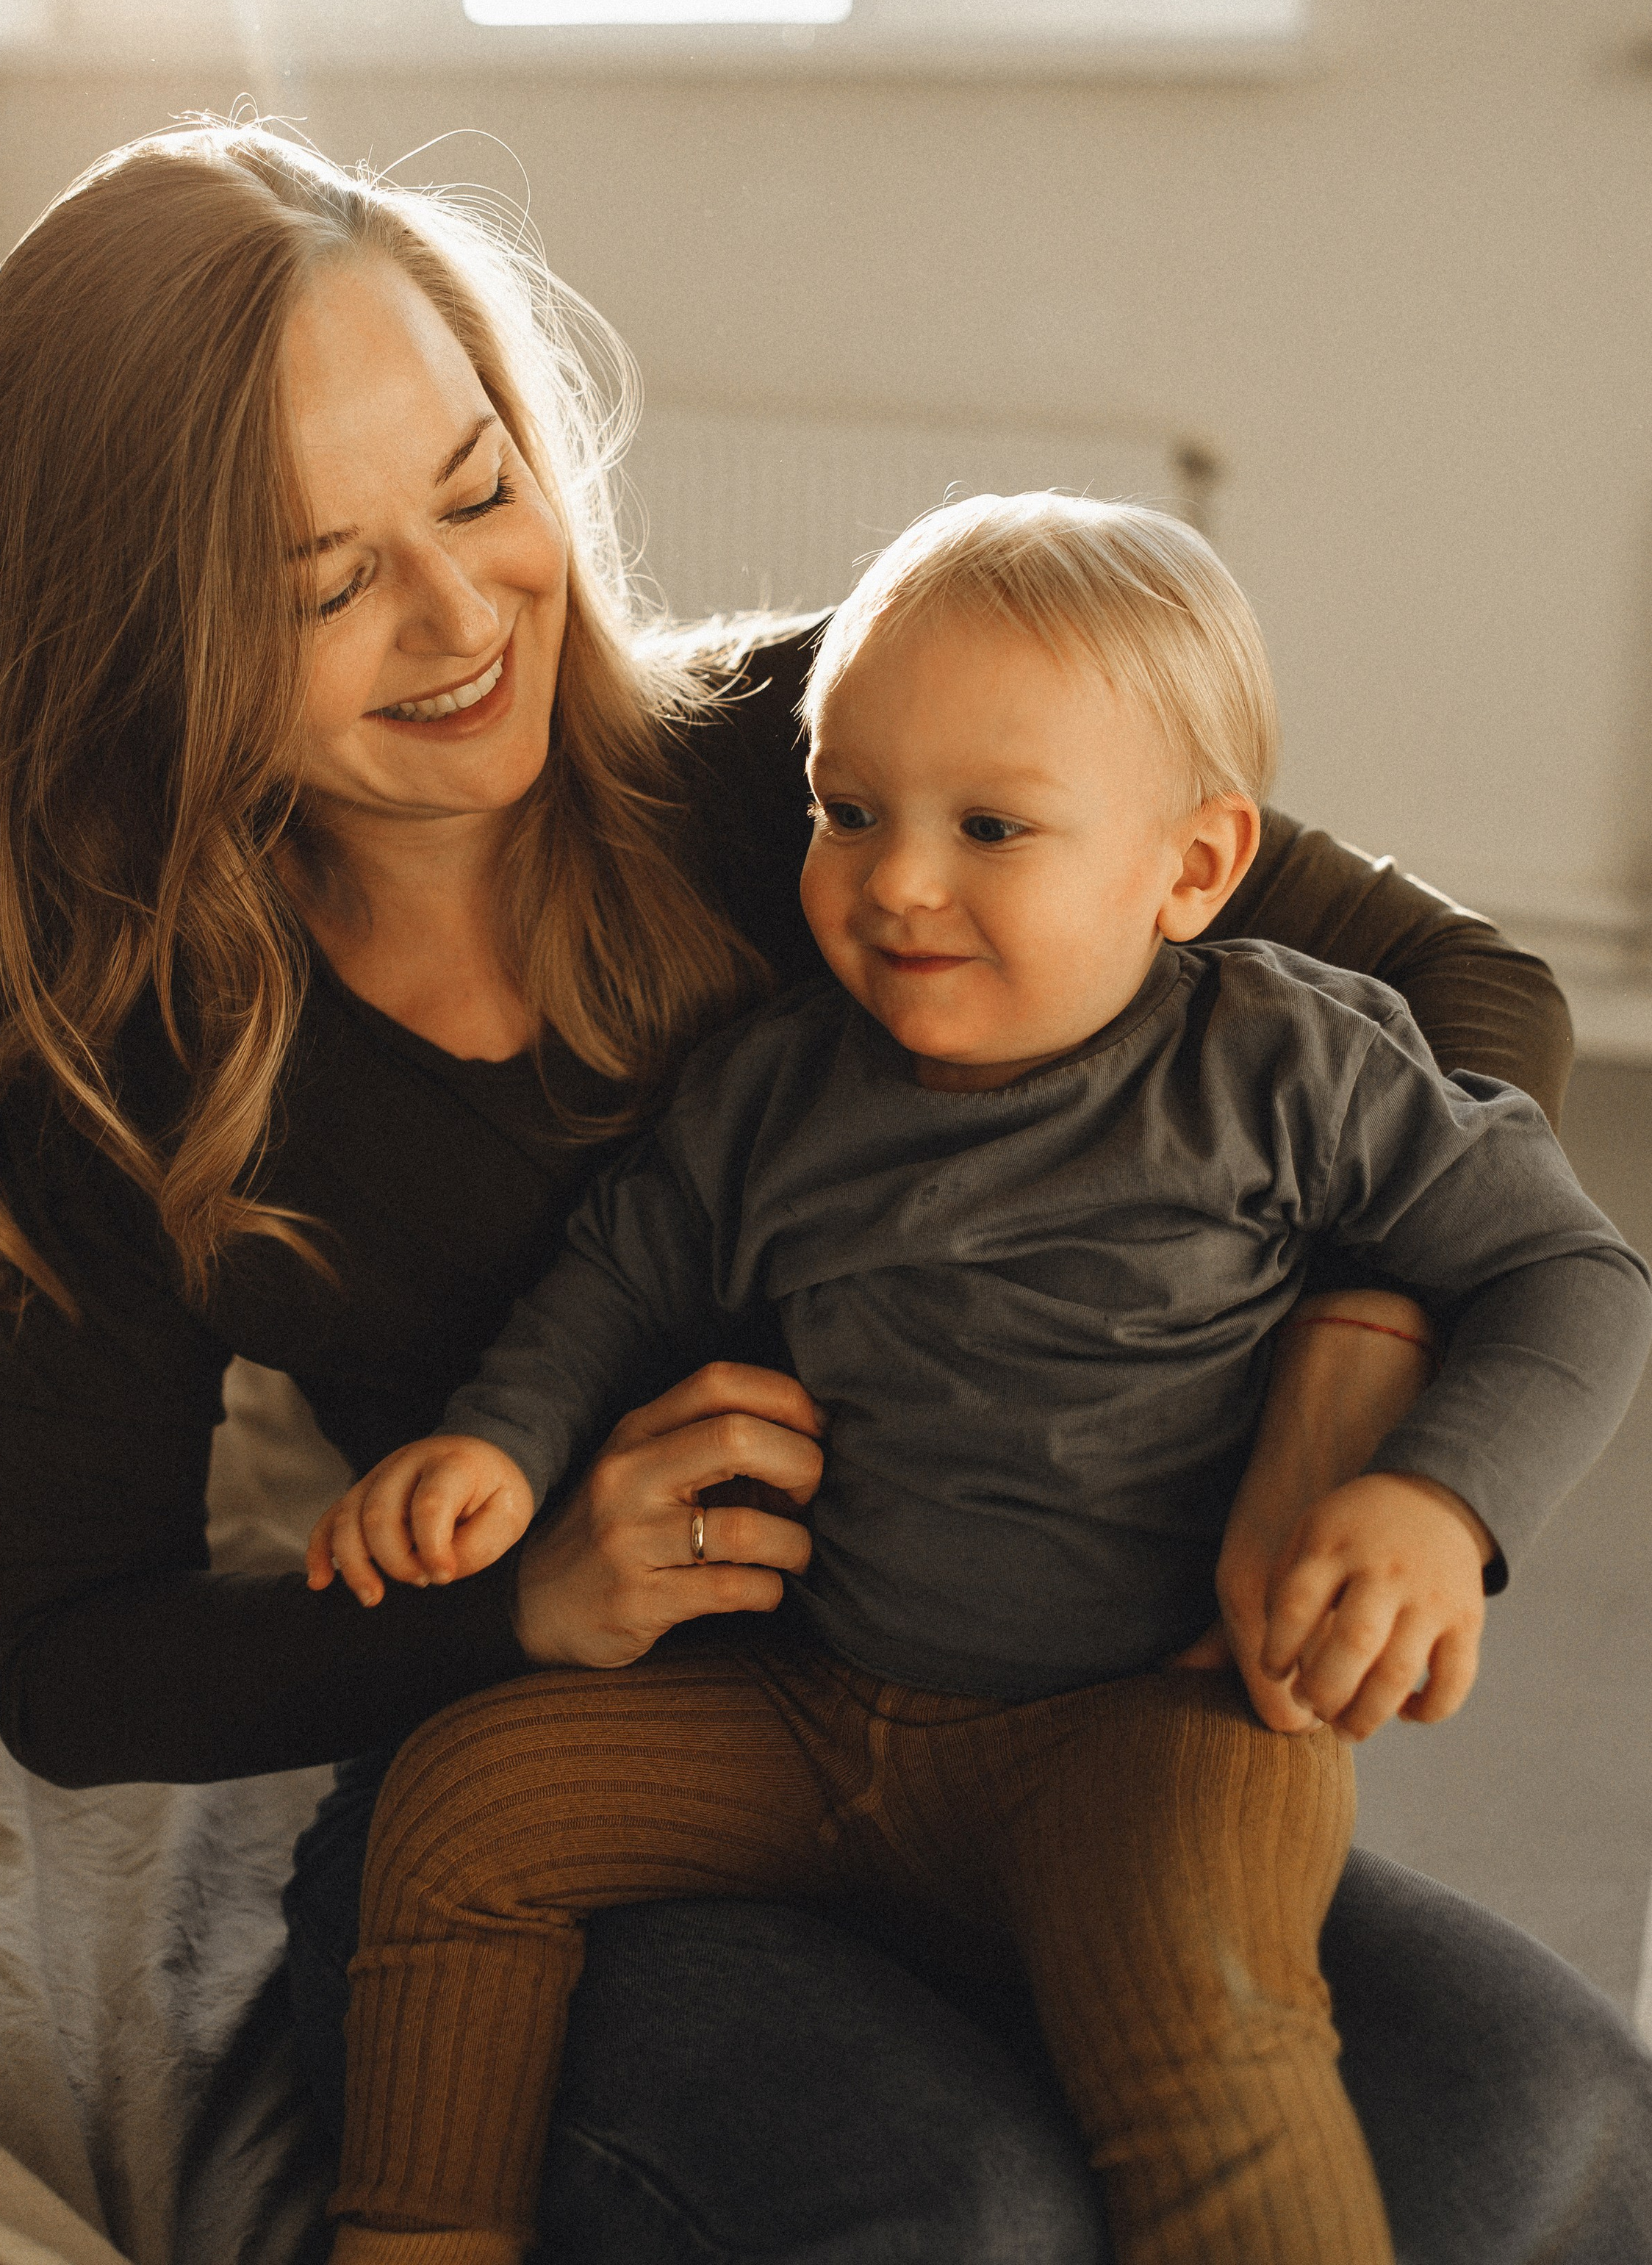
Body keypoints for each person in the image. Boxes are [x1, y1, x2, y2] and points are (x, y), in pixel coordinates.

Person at [0, 123, 1652, 2265]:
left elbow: (1466, 989)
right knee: (961, 2211)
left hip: (1047, 1707)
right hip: (595, 1790)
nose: (460, 617)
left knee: (1542, 2114)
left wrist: (1356, 1369)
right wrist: (517, 1600)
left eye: (477, 486)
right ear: (133, 626)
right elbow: (74, 1663)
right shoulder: (139, 1057)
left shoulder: (828, 765)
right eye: (323, 579)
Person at [305, 493, 1649, 2265]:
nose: (894, 879)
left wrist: (1430, 1495)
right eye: (844, 812)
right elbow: (620, 1270)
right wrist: (497, 1438)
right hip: (820, 1707)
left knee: (1203, 2024)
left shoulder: (1284, 1069)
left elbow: (1566, 1270)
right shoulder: (777, 1083)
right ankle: (415, 2235)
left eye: (989, 827)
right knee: (465, 1807)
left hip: (1146, 1726)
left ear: (1188, 867)